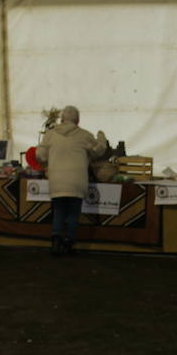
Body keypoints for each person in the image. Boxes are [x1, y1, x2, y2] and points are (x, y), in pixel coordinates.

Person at [35, 105, 107, 256]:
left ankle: (56, 242)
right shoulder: (85, 135)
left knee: (59, 211)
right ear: (78, 120)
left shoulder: (51, 134)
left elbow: (40, 155)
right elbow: (98, 151)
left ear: (62, 119)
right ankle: (69, 243)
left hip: (56, 180)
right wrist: (101, 136)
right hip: (77, 180)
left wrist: (49, 161)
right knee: (73, 214)